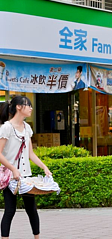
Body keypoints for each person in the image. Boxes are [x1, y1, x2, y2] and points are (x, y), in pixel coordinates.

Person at [0, 97, 52, 239]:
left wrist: (44, 167)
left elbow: (30, 154)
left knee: (32, 210)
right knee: (10, 211)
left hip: (25, 177)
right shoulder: (6, 128)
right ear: (18, 107)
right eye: (27, 105)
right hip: (11, 178)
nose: (30, 108)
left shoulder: (27, 128)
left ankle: (37, 237)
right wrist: (13, 169)